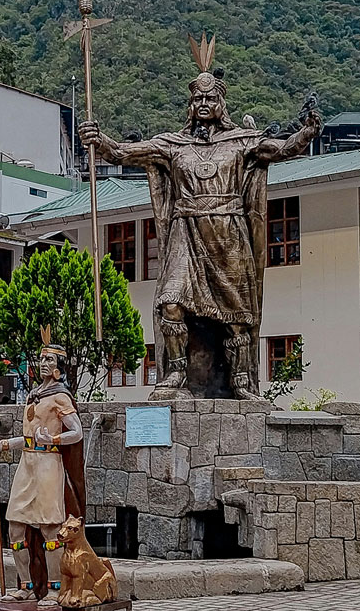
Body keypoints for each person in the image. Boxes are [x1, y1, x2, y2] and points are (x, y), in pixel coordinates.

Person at [78, 48, 321, 401]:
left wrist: (307, 132)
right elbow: (122, 154)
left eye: (210, 98)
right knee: (170, 303)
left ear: (222, 103)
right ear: (190, 105)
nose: (203, 103)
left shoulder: (241, 142)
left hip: (228, 234)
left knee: (238, 313)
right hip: (186, 232)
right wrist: (98, 140)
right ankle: (175, 373)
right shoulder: (172, 144)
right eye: (197, 98)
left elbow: (282, 149)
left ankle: (240, 381)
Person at [0, 339, 86, 608]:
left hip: (48, 465)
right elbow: (28, 437)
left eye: (49, 360)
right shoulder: (33, 395)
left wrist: (53, 439)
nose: (43, 363)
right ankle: (26, 586)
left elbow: (77, 432)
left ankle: (54, 588)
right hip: (27, 464)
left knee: (50, 527)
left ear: (59, 367)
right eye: (42, 359)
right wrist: (2, 444)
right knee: (15, 526)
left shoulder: (60, 397)